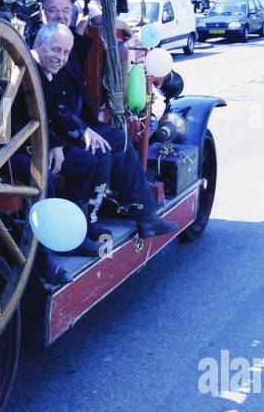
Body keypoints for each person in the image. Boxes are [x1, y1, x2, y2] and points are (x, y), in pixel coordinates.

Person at [30, 22, 178, 250]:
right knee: (96, 154)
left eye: (65, 52)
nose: (60, 56)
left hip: (68, 128)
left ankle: (145, 214)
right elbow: (44, 114)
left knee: (118, 139)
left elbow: (56, 109)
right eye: (56, 50)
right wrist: (67, 138)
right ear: (38, 43)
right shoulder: (31, 68)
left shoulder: (58, 60)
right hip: (44, 139)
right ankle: (79, 226)